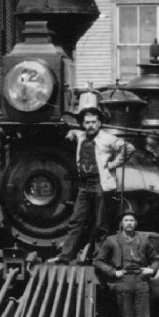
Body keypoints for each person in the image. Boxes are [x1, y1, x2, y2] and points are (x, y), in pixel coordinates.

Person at [49, 103, 134, 264]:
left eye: (94, 122)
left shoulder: (107, 138)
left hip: (101, 185)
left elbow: (128, 148)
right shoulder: (81, 136)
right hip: (84, 185)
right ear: (83, 124)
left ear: (99, 123)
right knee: (76, 221)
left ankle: (98, 258)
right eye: (87, 122)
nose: (90, 125)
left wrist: (113, 164)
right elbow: (74, 132)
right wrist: (71, 132)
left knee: (101, 224)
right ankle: (65, 256)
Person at [93, 211, 159, 317]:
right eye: (126, 220)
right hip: (123, 282)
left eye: (132, 220)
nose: (129, 223)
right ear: (122, 224)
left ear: (136, 223)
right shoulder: (112, 241)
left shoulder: (143, 240)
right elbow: (97, 260)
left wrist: (151, 270)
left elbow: (155, 258)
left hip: (141, 282)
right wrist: (112, 272)